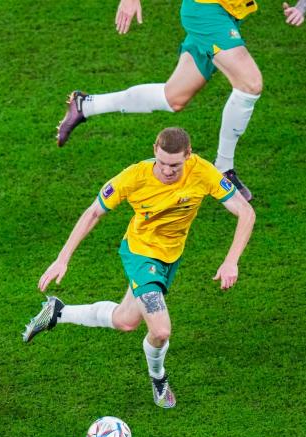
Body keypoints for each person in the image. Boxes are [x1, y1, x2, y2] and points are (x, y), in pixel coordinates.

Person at [23, 127, 254, 408]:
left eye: (176, 165)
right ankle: (159, 377)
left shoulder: (203, 172)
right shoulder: (133, 177)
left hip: (171, 256)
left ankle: (58, 312)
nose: (168, 171)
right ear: (155, 150)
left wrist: (231, 260)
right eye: (163, 163)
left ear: (188, 155)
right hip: (141, 254)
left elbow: (246, 211)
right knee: (160, 331)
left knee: (125, 321)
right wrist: (63, 258)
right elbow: (94, 211)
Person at [56, 0, 263, 202]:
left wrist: (298, 7)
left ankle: (86, 105)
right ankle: (224, 169)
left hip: (228, 13)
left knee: (174, 98)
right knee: (250, 84)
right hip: (206, 11)